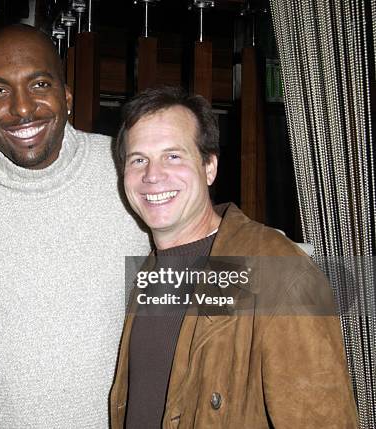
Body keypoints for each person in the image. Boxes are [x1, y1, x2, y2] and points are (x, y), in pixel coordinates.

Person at [0, 24, 150, 428]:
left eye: (39, 84)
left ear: (66, 96)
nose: (22, 108)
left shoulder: (131, 172)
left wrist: (291, 268)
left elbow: (202, 278)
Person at [109, 86, 358, 428]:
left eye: (173, 155)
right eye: (139, 159)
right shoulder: (149, 272)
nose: (152, 175)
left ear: (209, 166)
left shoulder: (276, 269)